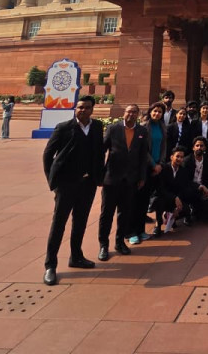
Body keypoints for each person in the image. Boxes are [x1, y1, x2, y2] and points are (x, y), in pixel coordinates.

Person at [42, 95, 104, 285]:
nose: (82, 110)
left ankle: (76, 256)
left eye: (86, 107)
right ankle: (50, 265)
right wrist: (53, 182)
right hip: (66, 184)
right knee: (58, 224)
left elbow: (99, 152)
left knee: (80, 221)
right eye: (79, 107)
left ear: (92, 109)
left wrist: (98, 177)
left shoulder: (96, 127)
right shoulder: (63, 127)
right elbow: (48, 155)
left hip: (87, 184)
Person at [98, 103, 148, 261]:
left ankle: (120, 242)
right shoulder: (113, 129)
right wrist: (101, 174)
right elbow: (102, 151)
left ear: (138, 114)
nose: (131, 114)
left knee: (124, 213)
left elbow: (143, 156)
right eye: (128, 111)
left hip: (130, 179)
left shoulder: (142, 131)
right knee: (107, 213)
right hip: (112, 178)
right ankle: (103, 245)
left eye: (134, 112)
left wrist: (142, 177)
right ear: (124, 113)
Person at [130, 102, 168, 245]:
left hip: (157, 166)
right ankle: (132, 232)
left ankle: (141, 230)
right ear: (150, 112)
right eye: (155, 111)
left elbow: (164, 146)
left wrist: (161, 163)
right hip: (145, 167)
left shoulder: (162, 127)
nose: (157, 114)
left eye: (160, 112)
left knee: (145, 200)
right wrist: (153, 164)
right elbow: (143, 150)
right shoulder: (144, 127)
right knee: (137, 200)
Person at [156, 147, 192, 234]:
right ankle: (158, 225)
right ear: (171, 157)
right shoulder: (164, 169)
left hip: (176, 198)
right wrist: (174, 198)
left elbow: (183, 188)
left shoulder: (183, 171)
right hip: (165, 197)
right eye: (177, 156)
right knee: (158, 202)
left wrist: (177, 205)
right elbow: (160, 189)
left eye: (182, 157)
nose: (180, 159)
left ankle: (173, 218)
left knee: (186, 209)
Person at [183, 135, 208, 221]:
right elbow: (185, 181)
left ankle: (197, 209)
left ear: (205, 148)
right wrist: (199, 186)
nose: (199, 148)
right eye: (197, 145)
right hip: (191, 188)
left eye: (202, 146)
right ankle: (188, 211)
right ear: (193, 148)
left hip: (204, 189)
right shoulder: (186, 161)